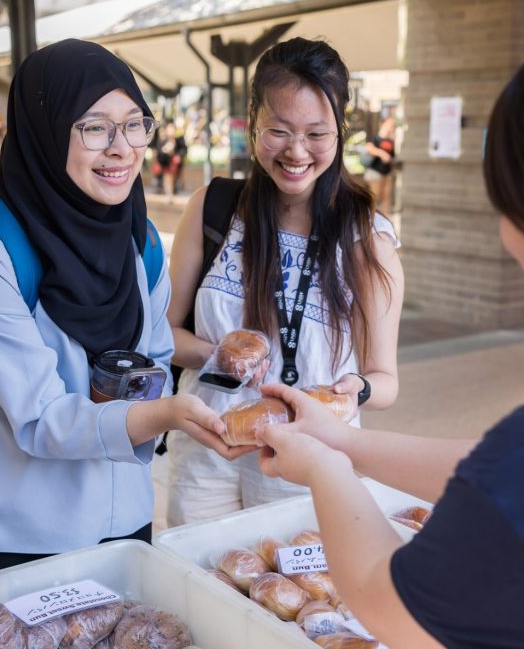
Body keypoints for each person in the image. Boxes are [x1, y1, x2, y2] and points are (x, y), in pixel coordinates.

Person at [222, 17, 524, 649]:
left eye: (508, 205)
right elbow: (502, 473)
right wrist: (342, 445)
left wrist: (321, 466)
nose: (505, 235)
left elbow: (391, 604)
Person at [0, 38, 230, 590]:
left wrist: (157, 400)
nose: (122, 148)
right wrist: (163, 415)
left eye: (135, 124)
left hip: (121, 517)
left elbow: (152, 358)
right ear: (45, 127)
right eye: (94, 127)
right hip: (6, 534)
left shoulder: (138, 237)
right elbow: (41, 416)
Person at [165, 37, 404, 527]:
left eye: (317, 133)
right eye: (278, 130)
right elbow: (163, 335)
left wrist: (353, 389)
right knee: (199, 588)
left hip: (307, 457)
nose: (296, 152)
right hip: (210, 445)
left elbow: (385, 381)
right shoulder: (213, 209)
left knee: (291, 599)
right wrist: (219, 354)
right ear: (253, 120)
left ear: (340, 131)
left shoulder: (367, 236)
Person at [363, 115, 396, 216]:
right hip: (375, 172)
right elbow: (368, 148)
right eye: (390, 124)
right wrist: (381, 153)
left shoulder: (391, 140)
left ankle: (386, 220)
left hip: (387, 172)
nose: (392, 127)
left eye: (393, 125)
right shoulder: (375, 137)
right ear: (383, 124)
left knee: (386, 197)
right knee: (375, 197)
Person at [151, 120, 187, 196]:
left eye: (172, 129)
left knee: (172, 177)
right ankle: (169, 193)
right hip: (165, 163)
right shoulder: (162, 140)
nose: (171, 131)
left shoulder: (179, 139)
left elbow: (183, 149)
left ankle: (173, 189)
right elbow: (158, 151)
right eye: (169, 129)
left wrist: (178, 155)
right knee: (168, 176)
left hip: (175, 164)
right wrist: (164, 150)